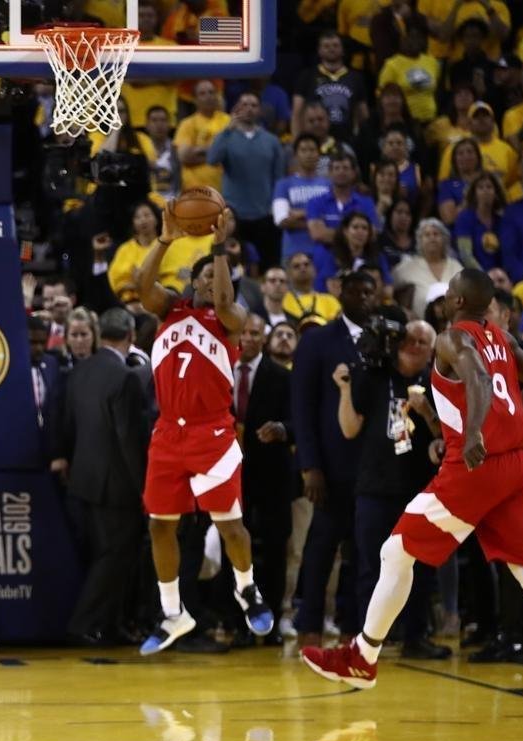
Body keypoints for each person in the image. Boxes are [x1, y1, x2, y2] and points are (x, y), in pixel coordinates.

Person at [300, 269, 523, 717]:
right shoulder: (503, 338)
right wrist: (505, 420)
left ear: (457, 302)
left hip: (477, 467)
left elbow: (479, 380)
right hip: (517, 465)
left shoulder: (452, 338)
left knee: (395, 550)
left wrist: (477, 432)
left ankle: (362, 657)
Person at [132, 204, 274, 654]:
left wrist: (217, 245)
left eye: (225, 278)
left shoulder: (229, 322)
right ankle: (174, 613)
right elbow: (141, 287)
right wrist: (166, 238)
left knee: (230, 525)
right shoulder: (168, 311)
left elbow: (230, 303)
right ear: (195, 282)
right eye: (211, 278)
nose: (219, 284)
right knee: (159, 526)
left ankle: (247, 589)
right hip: (168, 435)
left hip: (212, 434)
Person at [334, 320, 450, 659]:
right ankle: (369, 641)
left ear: (432, 350)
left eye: (423, 341)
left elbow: (445, 437)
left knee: (420, 567)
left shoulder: (436, 384)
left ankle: (416, 636)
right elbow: (349, 428)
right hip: (374, 487)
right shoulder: (373, 377)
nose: (415, 344)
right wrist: (344, 390)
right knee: (370, 565)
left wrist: (425, 410)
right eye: (410, 338)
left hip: (419, 489)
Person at [290, 270, 380, 647]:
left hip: (372, 467)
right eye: (356, 290)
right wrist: (310, 465)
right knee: (321, 546)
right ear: (340, 293)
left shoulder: (382, 341)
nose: (363, 297)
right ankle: (307, 620)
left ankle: (352, 624)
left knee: (362, 550)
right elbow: (303, 406)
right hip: (329, 465)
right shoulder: (318, 340)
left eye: (369, 291)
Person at [58, 308, 148, 644]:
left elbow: (69, 426)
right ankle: (83, 623)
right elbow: (128, 439)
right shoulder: (124, 376)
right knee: (114, 557)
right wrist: (144, 488)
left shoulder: (80, 372)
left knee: (107, 555)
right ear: (131, 336)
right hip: (116, 484)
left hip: (83, 480)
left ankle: (111, 625)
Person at [234, 314, 293, 632]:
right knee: (235, 549)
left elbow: (299, 423)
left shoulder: (281, 376)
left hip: (272, 476)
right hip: (230, 475)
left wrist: (282, 429)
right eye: (243, 332)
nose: (249, 338)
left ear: (264, 338)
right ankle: (237, 621)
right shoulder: (220, 371)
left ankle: (268, 622)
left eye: (255, 333)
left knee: (273, 552)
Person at [208, 92, 286, 268]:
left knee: (267, 263)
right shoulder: (226, 137)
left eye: (254, 105)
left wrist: (275, 205)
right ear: (236, 108)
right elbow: (212, 159)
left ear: (260, 110)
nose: (249, 109)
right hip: (235, 214)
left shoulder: (272, 141)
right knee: (235, 263)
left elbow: (279, 176)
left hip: (264, 212)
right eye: (244, 104)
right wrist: (228, 129)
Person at [273, 134, 332, 264]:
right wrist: (317, 222)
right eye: (303, 150)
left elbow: (332, 217)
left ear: (319, 154)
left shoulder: (329, 185)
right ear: (295, 155)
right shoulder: (283, 185)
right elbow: (281, 220)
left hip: (325, 252)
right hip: (293, 253)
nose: (308, 154)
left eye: (312, 150)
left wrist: (300, 213)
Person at [394, 219, 464, 319]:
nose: (432, 238)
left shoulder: (455, 266)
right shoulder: (408, 266)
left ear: (444, 239)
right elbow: (388, 288)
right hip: (421, 327)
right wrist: (403, 312)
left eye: (436, 234)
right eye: (427, 235)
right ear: (420, 241)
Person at [453, 173, 505, 272]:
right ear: (474, 193)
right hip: (474, 276)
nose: (485, 190)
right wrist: (484, 276)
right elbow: (465, 254)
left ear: (496, 193)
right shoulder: (465, 218)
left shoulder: (501, 221)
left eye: (489, 187)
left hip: (499, 276)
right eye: (480, 187)